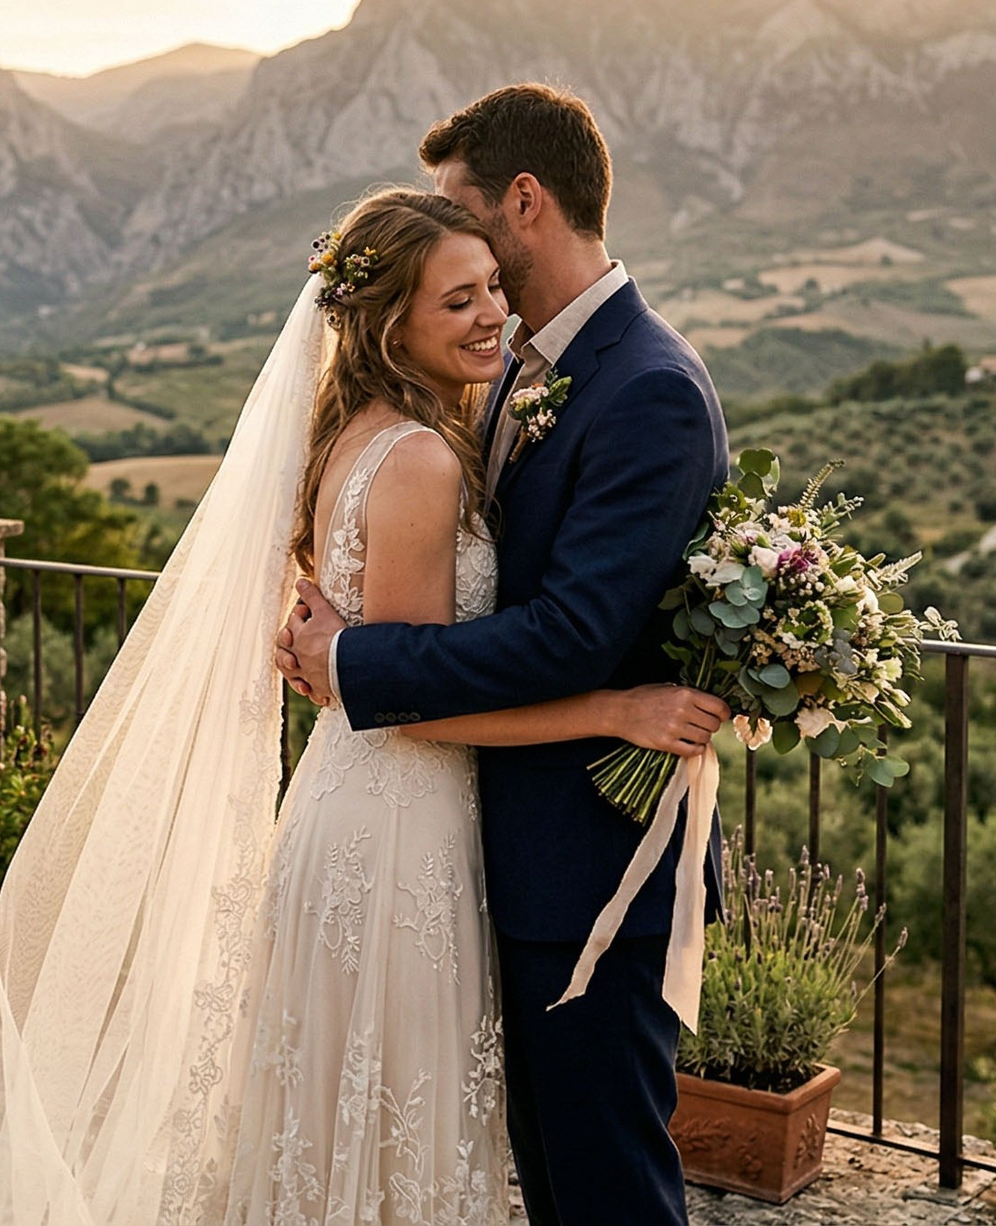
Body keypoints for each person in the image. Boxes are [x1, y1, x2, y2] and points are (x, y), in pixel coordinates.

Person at [0, 160, 726, 1223]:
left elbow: (391, 669)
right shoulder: (419, 459)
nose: (492, 312)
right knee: (384, 1133)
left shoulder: (376, 429)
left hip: (368, 813)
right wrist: (613, 709)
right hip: (395, 828)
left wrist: (348, 664)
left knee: (347, 1127)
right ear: (387, 325)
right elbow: (417, 700)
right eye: (459, 299)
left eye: (491, 286)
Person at [277, 83, 732, 1225]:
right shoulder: (516, 373)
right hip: (480, 852)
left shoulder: (648, 388)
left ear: (523, 201)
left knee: (605, 1186)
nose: (464, 253)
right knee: (541, 1173)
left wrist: (360, 666)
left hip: (587, 868)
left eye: (465, 214)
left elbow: (572, 632)